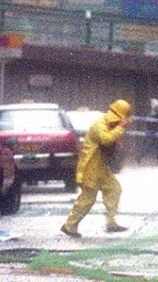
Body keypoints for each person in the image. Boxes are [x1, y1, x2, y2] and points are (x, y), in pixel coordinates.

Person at [61, 99, 132, 237]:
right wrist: (119, 128)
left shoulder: (110, 125)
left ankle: (111, 223)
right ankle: (70, 226)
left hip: (100, 167)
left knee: (114, 189)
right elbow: (105, 139)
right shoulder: (100, 125)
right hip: (90, 167)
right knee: (87, 198)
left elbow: (110, 145)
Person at [145, 98, 158, 165]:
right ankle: (139, 157)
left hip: (155, 133)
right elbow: (151, 124)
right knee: (148, 147)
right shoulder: (152, 115)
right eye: (157, 106)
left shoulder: (156, 114)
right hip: (152, 133)